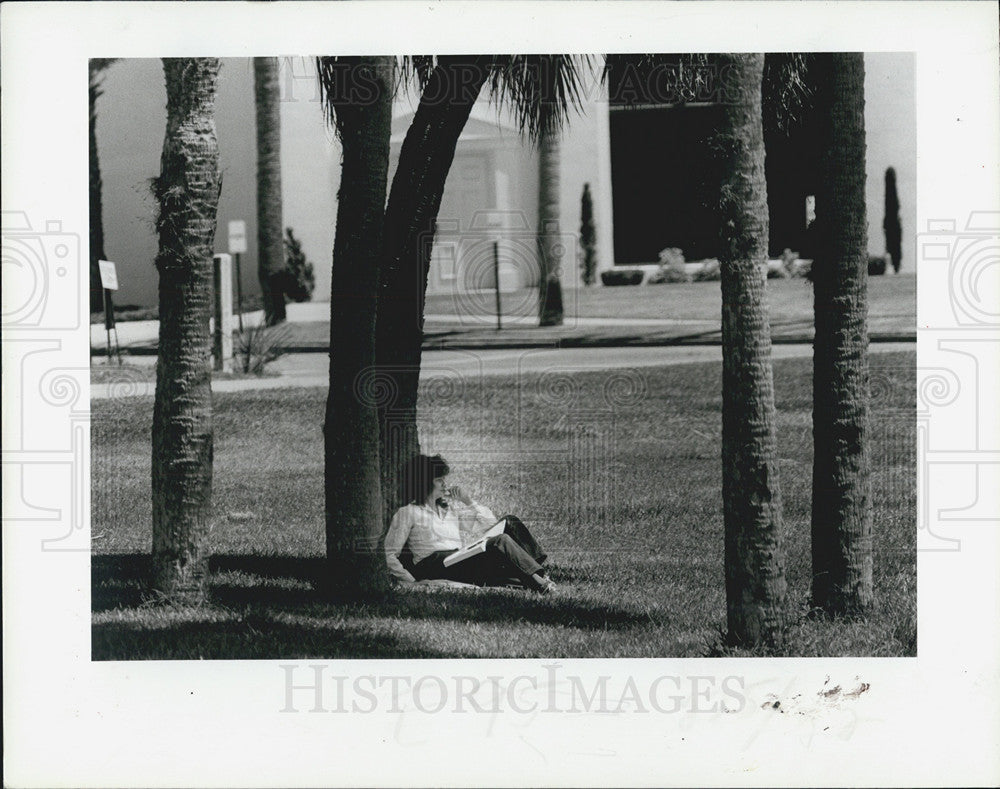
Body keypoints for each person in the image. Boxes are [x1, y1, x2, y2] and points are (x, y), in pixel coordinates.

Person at [385, 454, 556, 593]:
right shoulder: (408, 512)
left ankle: (540, 573)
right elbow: (389, 553)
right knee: (500, 542)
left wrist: (468, 501)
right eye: (439, 480)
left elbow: (489, 524)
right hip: (434, 565)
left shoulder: (449, 511)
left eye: (445, 479)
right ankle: (540, 584)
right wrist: (410, 580)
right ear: (424, 483)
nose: (445, 484)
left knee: (510, 522)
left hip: (458, 560)